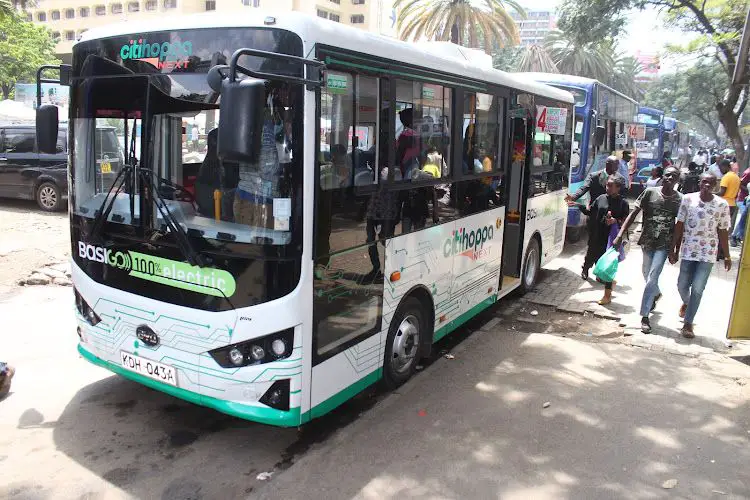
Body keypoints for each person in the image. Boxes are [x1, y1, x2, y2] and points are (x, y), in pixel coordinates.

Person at [613, 167, 682, 333]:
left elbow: (680, 227)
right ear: (662, 177)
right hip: (647, 241)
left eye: (674, 176)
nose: (670, 178)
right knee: (646, 273)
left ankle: (645, 316)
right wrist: (620, 234)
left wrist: (675, 250)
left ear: (677, 180)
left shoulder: (680, 199)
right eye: (668, 175)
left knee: (652, 277)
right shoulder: (650, 193)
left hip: (664, 245)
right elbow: (633, 213)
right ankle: (655, 294)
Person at [670, 173, 732, 338]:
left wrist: (727, 255)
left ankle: (688, 324)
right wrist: (673, 249)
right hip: (689, 251)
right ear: (699, 183)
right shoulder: (688, 199)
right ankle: (687, 303)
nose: (707, 185)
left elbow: (723, 230)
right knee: (682, 285)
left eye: (710, 183)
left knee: (697, 289)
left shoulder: (721, 204)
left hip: (708, 254)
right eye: (704, 181)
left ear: (715, 185)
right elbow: (680, 225)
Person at [571, 174, 629, 304]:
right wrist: (577, 204)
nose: (607, 187)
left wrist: (615, 221)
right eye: (606, 185)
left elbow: (626, 222)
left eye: (610, 185)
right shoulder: (601, 198)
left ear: (618, 188)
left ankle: (607, 296)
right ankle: (586, 269)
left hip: (612, 239)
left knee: (609, 265)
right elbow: (590, 211)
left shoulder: (623, 203)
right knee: (591, 254)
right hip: (597, 234)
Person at [730, 167, 750, 247]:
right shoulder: (748, 172)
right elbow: (740, 184)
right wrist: (748, 191)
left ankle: (737, 236)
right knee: (743, 218)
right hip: (743, 200)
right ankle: (734, 236)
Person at [718, 158, 740, 229]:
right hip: (732, 204)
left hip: (724, 204)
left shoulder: (726, 177)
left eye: (720, 168)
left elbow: (722, 193)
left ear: (725, 166)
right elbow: (736, 194)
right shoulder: (736, 177)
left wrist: (710, 193)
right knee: (725, 227)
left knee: (719, 226)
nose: (720, 170)